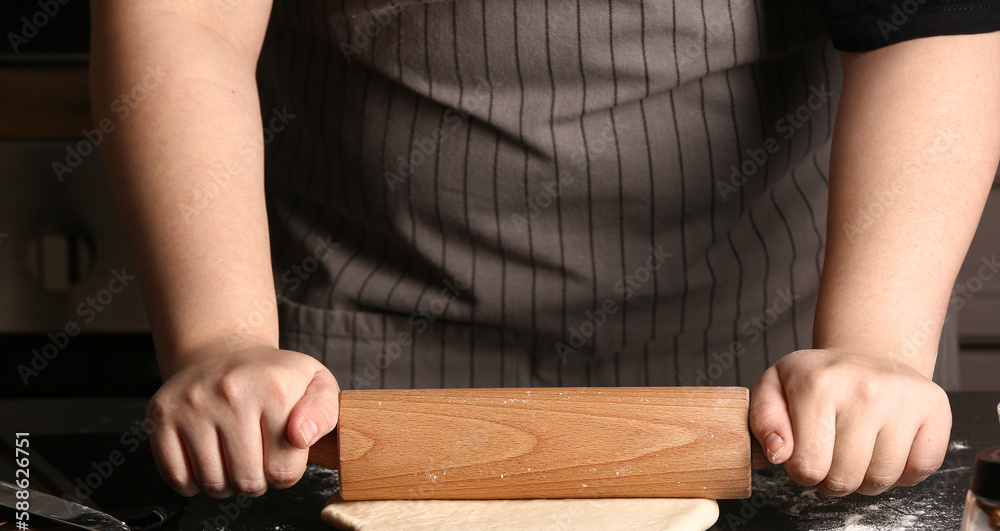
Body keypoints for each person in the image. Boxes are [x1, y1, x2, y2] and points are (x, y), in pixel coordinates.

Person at [90, 1, 1000, 500]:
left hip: (768, 392)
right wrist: (222, 339)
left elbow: (928, 32)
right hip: (342, 396)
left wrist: (876, 345)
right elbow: (185, 23)